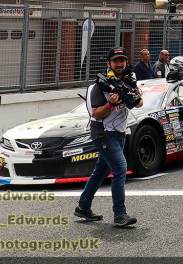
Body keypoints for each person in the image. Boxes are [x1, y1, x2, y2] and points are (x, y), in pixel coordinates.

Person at [74, 47, 141, 228]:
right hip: (103, 133)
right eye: (115, 61)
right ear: (108, 64)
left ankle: (83, 206)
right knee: (120, 169)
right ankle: (120, 214)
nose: (119, 63)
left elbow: (139, 103)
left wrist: (133, 94)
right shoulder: (98, 86)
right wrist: (110, 104)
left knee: (101, 171)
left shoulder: (128, 81)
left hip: (119, 133)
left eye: (122, 60)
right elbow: (96, 114)